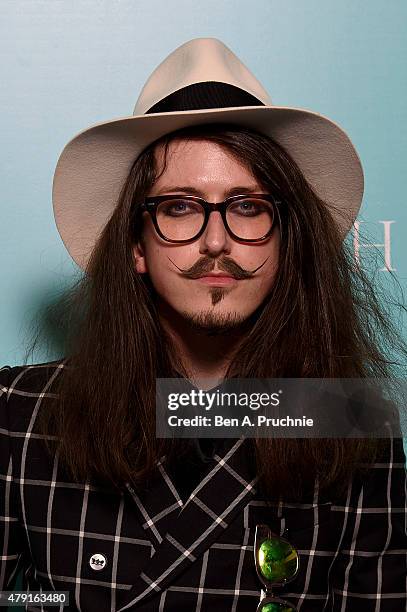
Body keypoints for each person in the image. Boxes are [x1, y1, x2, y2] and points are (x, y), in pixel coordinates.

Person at [0, 38, 406, 612]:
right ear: (134, 246)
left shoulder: (355, 424)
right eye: (180, 207)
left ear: (287, 241)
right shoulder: (18, 414)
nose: (216, 243)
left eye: (247, 206)